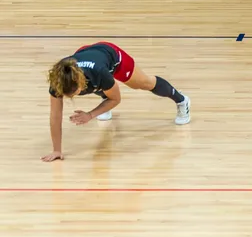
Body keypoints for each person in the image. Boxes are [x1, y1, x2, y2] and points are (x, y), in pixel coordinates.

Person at [43, 41, 191, 162]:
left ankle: (182, 100)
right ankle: (103, 102)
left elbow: (116, 99)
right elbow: (55, 116)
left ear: (81, 84)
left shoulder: (99, 72)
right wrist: (57, 150)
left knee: (143, 83)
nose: (71, 97)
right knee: (99, 86)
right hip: (87, 54)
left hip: (112, 56)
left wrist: (90, 115)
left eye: (74, 93)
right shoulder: (59, 81)